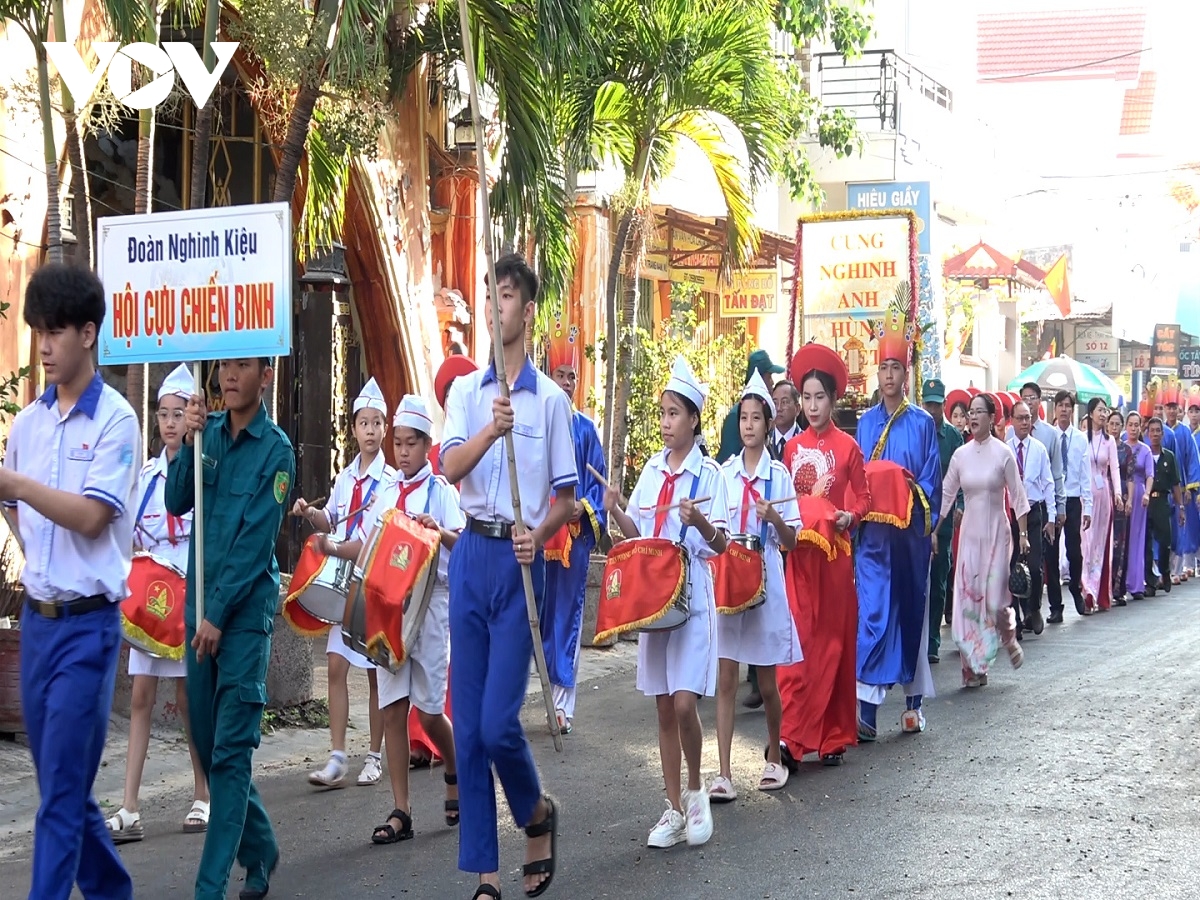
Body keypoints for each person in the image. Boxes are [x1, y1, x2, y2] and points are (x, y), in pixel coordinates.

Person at [0, 263, 140, 900]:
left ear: (89, 333)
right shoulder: (27, 425)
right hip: (37, 623)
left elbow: (90, 517)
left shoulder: (117, 421)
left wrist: (21, 488)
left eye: (56, 331)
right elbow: (16, 515)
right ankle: (112, 891)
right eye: (38, 332)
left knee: (58, 793)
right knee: (62, 783)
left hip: (88, 628)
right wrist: (38, 557)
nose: (45, 346)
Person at [439, 254, 575, 899]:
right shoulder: (468, 393)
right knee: (467, 729)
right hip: (470, 554)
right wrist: (491, 433)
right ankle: (486, 873)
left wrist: (540, 534)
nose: (497, 305)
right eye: (490, 294)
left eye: (509, 295)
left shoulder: (552, 401)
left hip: (519, 566)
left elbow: (566, 499)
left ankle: (536, 812)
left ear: (528, 309)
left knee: (497, 723)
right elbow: (448, 467)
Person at [166, 357, 295, 900]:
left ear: (265, 374)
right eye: (226, 367)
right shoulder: (209, 433)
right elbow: (176, 501)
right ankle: (261, 847)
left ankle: (208, 888)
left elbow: (254, 543)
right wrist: (187, 444)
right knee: (208, 740)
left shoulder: (278, 451)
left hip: (242, 618)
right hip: (202, 613)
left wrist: (218, 613)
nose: (231, 377)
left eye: (245, 366)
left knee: (231, 749)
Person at [603, 355, 729, 848]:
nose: (665, 423)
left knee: (682, 704)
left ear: (694, 419)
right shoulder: (653, 470)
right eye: (662, 413)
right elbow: (637, 535)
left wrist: (698, 523)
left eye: (674, 413)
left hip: (693, 599)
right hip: (655, 603)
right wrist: (616, 508)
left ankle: (698, 789)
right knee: (661, 707)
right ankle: (673, 808)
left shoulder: (710, 475)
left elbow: (722, 545)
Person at [107, 363, 209, 843]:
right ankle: (129, 805)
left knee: (190, 699)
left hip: (188, 599)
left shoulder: (204, 472)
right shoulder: (146, 476)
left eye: (179, 414)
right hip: (152, 603)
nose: (170, 423)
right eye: (164, 414)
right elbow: (128, 536)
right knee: (142, 695)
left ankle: (203, 793)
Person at [367, 395, 462, 846]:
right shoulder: (385, 492)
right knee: (392, 711)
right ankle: (401, 810)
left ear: (428, 446)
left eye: (411, 444)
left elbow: (462, 545)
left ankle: (454, 763)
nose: (402, 452)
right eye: (397, 444)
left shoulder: (441, 492)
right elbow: (366, 545)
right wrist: (329, 543)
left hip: (431, 606)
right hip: (389, 608)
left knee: (427, 713)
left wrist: (436, 531)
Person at [293, 378, 392, 788]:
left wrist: (331, 545)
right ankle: (337, 756)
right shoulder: (346, 477)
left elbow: (371, 540)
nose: (369, 431)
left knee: (373, 673)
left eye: (376, 423)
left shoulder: (388, 482)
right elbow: (330, 518)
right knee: (335, 665)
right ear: (352, 429)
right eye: (362, 423)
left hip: (371, 583)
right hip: (342, 583)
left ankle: (374, 754)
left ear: (385, 428)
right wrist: (309, 516)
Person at [776, 343, 869, 767]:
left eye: (819, 398)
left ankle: (831, 735)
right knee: (798, 642)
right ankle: (792, 737)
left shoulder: (848, 447)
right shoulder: (791, 449)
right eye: (806, 398)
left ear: (833, 401)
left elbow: (864, 500)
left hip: (834, 558)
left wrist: (851, 514)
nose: (812, 406)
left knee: (831, 645)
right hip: (798, 558)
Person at [709, 371, 801, 800]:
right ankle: (724, 773)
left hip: (765, 576)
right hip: (731, 577)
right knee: (726, 676)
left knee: (766, 681)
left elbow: (792, 540)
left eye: (755, 418)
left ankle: (774, 760)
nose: (748, 425)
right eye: (742, 418)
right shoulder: (724, 475)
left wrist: (775, 518)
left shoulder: (779, 476)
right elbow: (717, 531)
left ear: (768, 424)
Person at [854, 308, 941, 738]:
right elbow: (856, 479)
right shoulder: (865, 424)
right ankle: (867, 710)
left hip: (908, 537)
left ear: (906, 373)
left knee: (910, 612)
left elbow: (930, 481)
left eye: (895, 368)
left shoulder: (923, 424)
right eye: (883, 367)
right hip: (872, 539)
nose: (889, 376)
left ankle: (912, 702)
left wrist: (905, 494)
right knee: (871, 614)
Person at [408, 355, 478, 769]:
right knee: (424, 655)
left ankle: (454, 739)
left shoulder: (489, 444)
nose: (455, 401)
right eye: (449, 395)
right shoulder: (432, 454)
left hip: (469, 560)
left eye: (462, 393)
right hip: (430, 569)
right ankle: (421, 739)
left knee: (453, 657)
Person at [541, 317, 607, 734]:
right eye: (560, 375)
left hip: (573, 540)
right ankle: (544, 697)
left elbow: (596, 480)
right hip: (539, 533)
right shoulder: (537, 423)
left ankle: (563, 705)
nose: (566, 383)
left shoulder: (585, 429)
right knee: (538, 617)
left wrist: (585, 507)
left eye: (572, 377)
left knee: (566, 616)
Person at [937, 393, 1028, 687]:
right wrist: (934, 531)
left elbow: (1018, 497)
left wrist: (1023, 534)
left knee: (994, 598)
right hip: (970, 537)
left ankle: (1009, 637)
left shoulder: (1003, 453)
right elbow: (947, 495)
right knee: (969, 598)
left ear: (992, 417)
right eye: (969, 412)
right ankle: (973, 666)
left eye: (979, 412)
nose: (973, 417)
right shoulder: (960, 456)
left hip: (998, 535)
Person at [922, 379, 962, 663]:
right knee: (915, 580)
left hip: (944, 518)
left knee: (938, 580)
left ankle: (933, 640)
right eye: (929, 404)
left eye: (937, 404)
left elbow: (962, 476)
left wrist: (959, 505)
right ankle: (915, 636)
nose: (933, 409)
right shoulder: (916, 432)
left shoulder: (953, 437)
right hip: (918, 518)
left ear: (944, 404)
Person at [1007, 400, 1054, 636]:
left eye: (1028, 417)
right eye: (1020, 418)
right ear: (1012, 421)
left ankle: (1034, 608)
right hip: (1010, 515)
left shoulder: (1039, 449)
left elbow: (1048, 483)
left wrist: (1052, 518)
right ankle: (1014, 617)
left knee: (1034, 566)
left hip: (1034, 513)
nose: (1025, 422)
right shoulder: (1005, 449)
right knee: (1011, 566)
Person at [1046, 391, 1091, 622]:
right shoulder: (1049, 435)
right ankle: (1055, 605)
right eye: (1060, 405)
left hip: (1072, 499)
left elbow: (1085, 475)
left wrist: (1089, 507)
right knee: (1051, 552)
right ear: (1055, 409)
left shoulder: (1081, 438)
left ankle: (1075, 585)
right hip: (1053, 498)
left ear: (1072, 410)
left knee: (1075, 551)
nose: (1064, 409)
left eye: (1068, 405)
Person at [1080, 398, 1122, 614]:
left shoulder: (1109, 441)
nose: (1104, 414)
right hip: (1084, 497)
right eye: (1100, 410)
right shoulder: (1081, 439)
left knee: (1098, 544)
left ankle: (1093, 591)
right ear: (1090, 413)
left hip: (1104, 496)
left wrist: (1118, 493)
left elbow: (1114, 468)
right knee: (1084, 543)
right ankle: (1084, 584)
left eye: (1106, 410)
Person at [715, 349, 784, 463]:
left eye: (756, 418)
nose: (772, 382)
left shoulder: (780, 474)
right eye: (769, 377)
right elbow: (727, 459)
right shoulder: (734, 416)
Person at [1162, 382, 1200, 583]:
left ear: (1179, 410)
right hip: (1161, 488)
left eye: (1173, 407)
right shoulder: (1158, 430)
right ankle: (1163, 569)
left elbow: (1192, 462)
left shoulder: (1184, 433)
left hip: (1181, 487)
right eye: (1167, 407)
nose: (1170, 411)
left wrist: (1190, 486)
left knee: (1181, 527)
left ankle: (1180, 567)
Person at [1143, 417, 1185, 597]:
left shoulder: (1169, 456)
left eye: (1157, 431)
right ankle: (1150, 581)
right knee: (1145, 543)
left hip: (1162, 501)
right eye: (1151, 431)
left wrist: (1181, 506)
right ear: (1147, 433)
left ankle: (1165, 572)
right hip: (1145, 501)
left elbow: (1175, 484)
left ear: (1162, 433)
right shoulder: (1143, 453)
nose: (1154, 434)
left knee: (1165, 541)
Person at [1122, 411, 1154, 600]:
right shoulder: (1120, 448)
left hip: (1140, 495)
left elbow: (1150, 474)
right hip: (1123, 493)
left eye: (1136, 425)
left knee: (1137, 538)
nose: (1133, 428)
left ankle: (1136, 584)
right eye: (1130, 424)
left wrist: (1148, 494)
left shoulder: (1145, 450)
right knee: (1121, 538)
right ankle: (1120, 582)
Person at [1108, 410, 1132, 604]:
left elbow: (1130, 478)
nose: (1114, 428)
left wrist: (1129, 499)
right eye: (1112, 424)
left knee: (1120, 544)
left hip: (1121, 497)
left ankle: (1118, 588)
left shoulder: (1126, 450)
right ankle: (1101, 589)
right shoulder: (1101, 445)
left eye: (1118, 424)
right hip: (1103, 496)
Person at [769, 379, 803, 460]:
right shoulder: (765, 442)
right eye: (775, 403)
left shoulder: (806, 443)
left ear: (797, 409)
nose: (778, 408)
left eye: (784, 402)